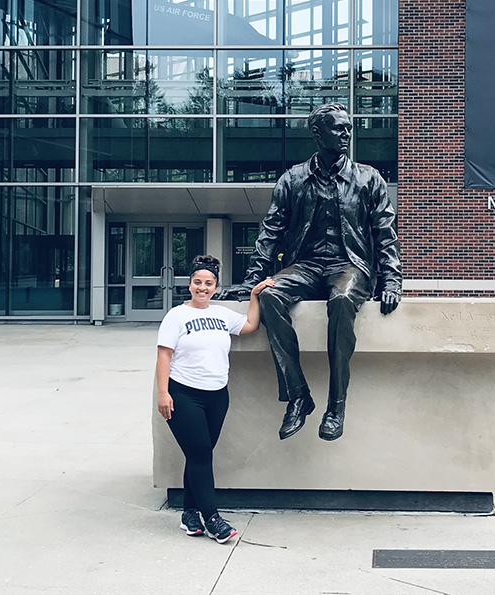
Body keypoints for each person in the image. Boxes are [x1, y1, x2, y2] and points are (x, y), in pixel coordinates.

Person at [215, 102, 402, 442]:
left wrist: (391, 279)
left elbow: (385, 233)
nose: (346, 133)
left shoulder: (368, 178)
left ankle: (336, 405)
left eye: (348, 127)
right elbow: (270, 232)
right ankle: (299, 395)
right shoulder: (294, 179)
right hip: (306, 265)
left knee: (343, 299)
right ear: (318, 133)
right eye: (338, 128)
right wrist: (250, 283)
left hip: (350, 265)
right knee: (269, 294)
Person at [156, 255, 274, 541]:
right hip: (183, 394)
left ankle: (189, 513)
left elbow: (249, 326)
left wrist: (255, 295)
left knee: (198, 454)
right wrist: (163, 393)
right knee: (200, 455)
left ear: (215, 287)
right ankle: (212, 518)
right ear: (189, 284)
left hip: (217, 396)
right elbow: (164, 355)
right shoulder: (176, 316)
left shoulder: (222, 314)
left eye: (208, 283)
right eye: (197, 282)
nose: (202, 287)